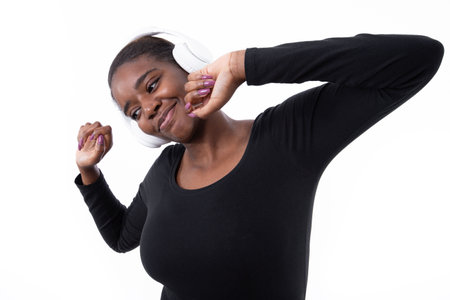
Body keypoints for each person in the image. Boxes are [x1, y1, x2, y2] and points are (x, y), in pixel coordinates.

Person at [74, 32, 444, 300]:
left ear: (190, 64)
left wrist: (244, 65)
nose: (148, 108)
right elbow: (122, 238)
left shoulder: (287, 137)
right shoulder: (163, 173)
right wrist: (89, 172)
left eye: (152, 85)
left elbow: (418, 59)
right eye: (135, 111)